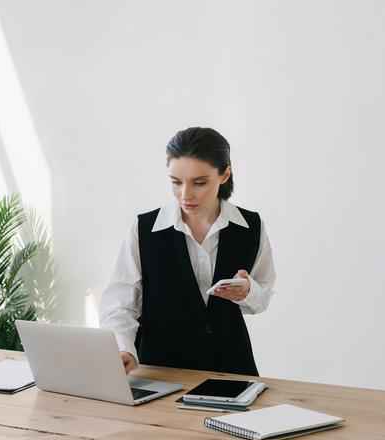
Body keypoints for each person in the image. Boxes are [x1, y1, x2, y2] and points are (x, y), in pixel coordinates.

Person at [99, 127, 276, 376]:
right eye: (176, 182)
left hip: (232, 369)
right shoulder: (144, 229)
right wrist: (124, 349)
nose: (185, 194)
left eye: (199, 183)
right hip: (160, 372)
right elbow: (120, 303)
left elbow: (263, 297)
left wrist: (247, 291)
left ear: (225, 174)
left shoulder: (250, 227)